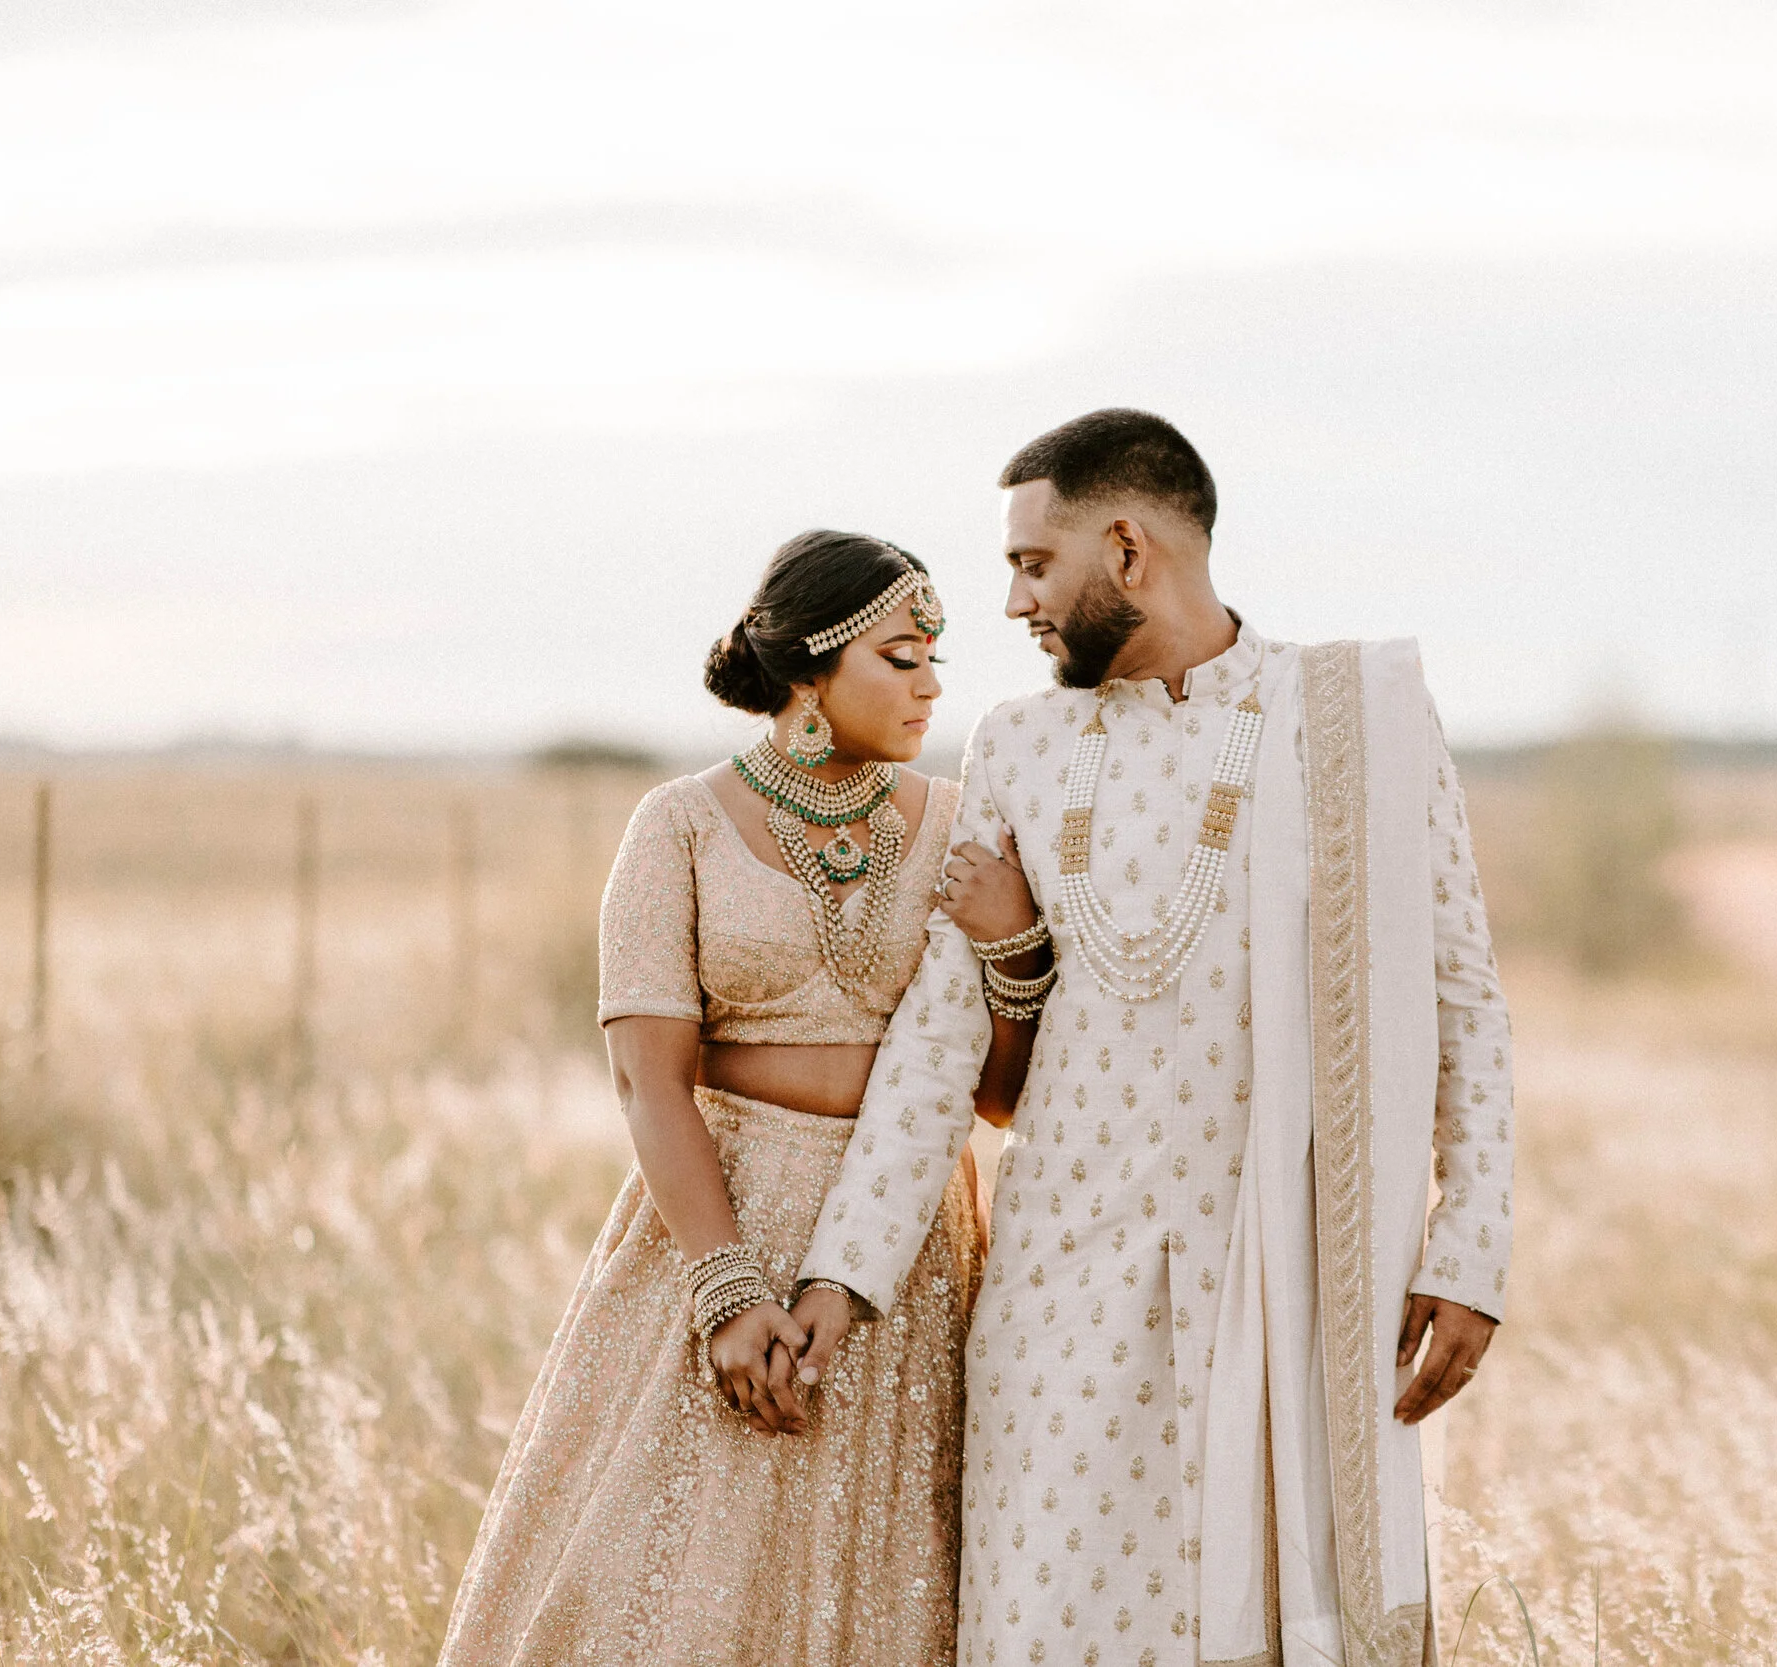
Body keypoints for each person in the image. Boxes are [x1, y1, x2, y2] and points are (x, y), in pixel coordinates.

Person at [786, 412, 1517, 1667]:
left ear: (1126, 548)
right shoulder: (1019, 744)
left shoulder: (1349, 720)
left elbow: (1461, 992)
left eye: (1033, 563)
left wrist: (1471, 1249)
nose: (1013, 602)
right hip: (1062, 1293)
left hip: (1286, 1274)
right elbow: (938, 1034)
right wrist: (839, 1275)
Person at [438, 530, 1056, 1667]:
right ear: (810, 670)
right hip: (724, 1213)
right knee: (675, 1574)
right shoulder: (679, 824)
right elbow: (647, 1079)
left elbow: (1003, 1099)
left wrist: (1014, 942)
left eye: (935, 659)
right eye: (901, 658)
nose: (930, 685)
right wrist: (724, 1291)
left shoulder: (965, 825)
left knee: (890, 1579)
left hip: (907, 1243)